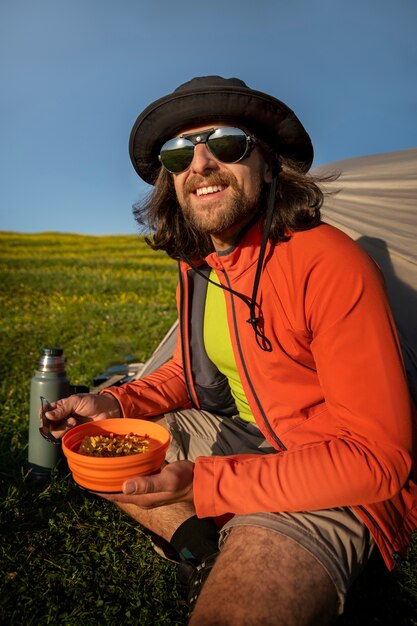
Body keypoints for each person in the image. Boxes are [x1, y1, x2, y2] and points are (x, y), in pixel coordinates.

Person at [45, 76, 417, 625]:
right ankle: (201, 543)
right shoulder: (204, 265)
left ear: (268, 166)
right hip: (247, 434)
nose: (200, 163)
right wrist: (117, 404)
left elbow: (379, 459)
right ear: (170, 180)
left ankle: (241, 535)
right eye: (179, 153)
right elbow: (193, 372)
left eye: (225, 143)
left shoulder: (327, 263)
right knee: (97, 446)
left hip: (330, 472)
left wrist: (209, 481)